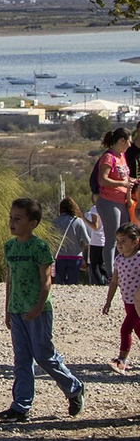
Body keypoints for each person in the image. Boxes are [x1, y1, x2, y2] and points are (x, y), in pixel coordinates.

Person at [0, 197, 84, 421]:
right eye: (11, 218)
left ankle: (73, 388)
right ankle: (20, 406)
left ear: (32, 223)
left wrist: (38, 307)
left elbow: (46, 282)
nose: (12, 222)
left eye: (18, 219)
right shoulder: (9, 247)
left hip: (38, 312)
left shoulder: (40, 248)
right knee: (21, 359)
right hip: (17, 311)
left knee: (44, 356)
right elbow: (9, 281)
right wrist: (8, 309)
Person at [95, 128, 137, 280]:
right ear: (121, 141)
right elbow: (102, 180)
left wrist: (131, 181)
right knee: (112, 239)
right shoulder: (108, 157)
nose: (130, 145)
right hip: (109, 202)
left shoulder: (122, 156)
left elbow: (123, 176)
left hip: (122, 201)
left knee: (125, 236)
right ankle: (112, 275)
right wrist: (122, 183)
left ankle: (123, 270)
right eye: (129, 142)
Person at [102, 222, 140, 373]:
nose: (119, 244)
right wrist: (108, 301)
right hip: (127, 302)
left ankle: (121, 360)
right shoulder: (119, 260)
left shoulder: (138, 258)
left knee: (126, 329)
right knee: (137, 329)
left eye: (123, 241)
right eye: (118, 240)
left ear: (135, 241)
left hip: (138, 302)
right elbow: (114, 281)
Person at [50, 197, 91, 286]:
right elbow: (87, 241)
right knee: (72, 284)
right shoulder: (78, 221)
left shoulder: (55, 222)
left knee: (59, 285)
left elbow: (50, 241)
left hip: (60, 257)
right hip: (75, 257)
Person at [85, 203, 109, 286]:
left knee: (94, 265)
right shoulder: (107, 207)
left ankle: (101, 283)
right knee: (101, 264)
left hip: (96, 241)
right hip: (105, 239)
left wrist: (83, 218)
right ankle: (109, 278)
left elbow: (95, 226)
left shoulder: (95, 208)